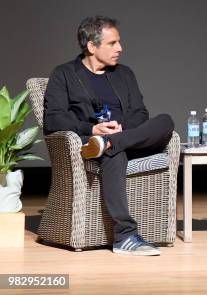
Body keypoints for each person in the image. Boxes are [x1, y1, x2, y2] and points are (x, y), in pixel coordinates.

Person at [44, 16, 175, 256]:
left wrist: (120, 130)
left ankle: (110, 143)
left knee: (165, 120)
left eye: (119, 42)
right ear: (91, 47)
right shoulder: (64, 74)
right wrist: (92, 129)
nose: (120, 48)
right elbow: (54, 118)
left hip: (123, 138)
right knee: (114, 154)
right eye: (112, 43)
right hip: (90, 143)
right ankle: (124, 237)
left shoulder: (124, 74)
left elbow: (140, 113)